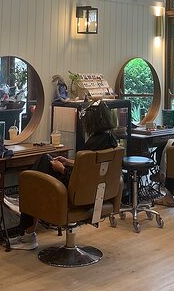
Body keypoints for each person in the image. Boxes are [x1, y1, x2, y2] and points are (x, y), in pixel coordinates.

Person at [8, 100, 118, 250]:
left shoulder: (94, 142)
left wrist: (62, 169)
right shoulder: (110, 140)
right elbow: (92, 170)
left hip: (78, 195)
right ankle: (27, 223)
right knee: (45, 159)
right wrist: (69, 162)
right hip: (94, 193)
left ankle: (25, 213)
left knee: (37, 169)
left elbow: (81, 179)